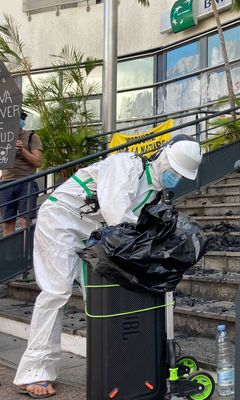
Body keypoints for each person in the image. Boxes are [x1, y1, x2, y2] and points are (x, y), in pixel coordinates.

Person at [13, 138, 202, 398]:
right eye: (174, 170)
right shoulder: (127, 165)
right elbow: (117, 216)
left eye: (181, 175)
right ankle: (35, 372)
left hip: (92, 234)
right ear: (163, 158)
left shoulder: (153, 192)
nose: (175, 178)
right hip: (61, 219)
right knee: (56, 293)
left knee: (103, 302)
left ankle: (114, 366)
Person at [0, 111, 43, 237]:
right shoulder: (3, 137)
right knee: (7, 224)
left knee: (25, 221)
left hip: (26, 182)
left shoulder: (31, 136)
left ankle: (26, 255)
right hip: (6, 184)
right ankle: (9, 256)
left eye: (22, 117)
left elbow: (37, 162)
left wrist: (22, 150)